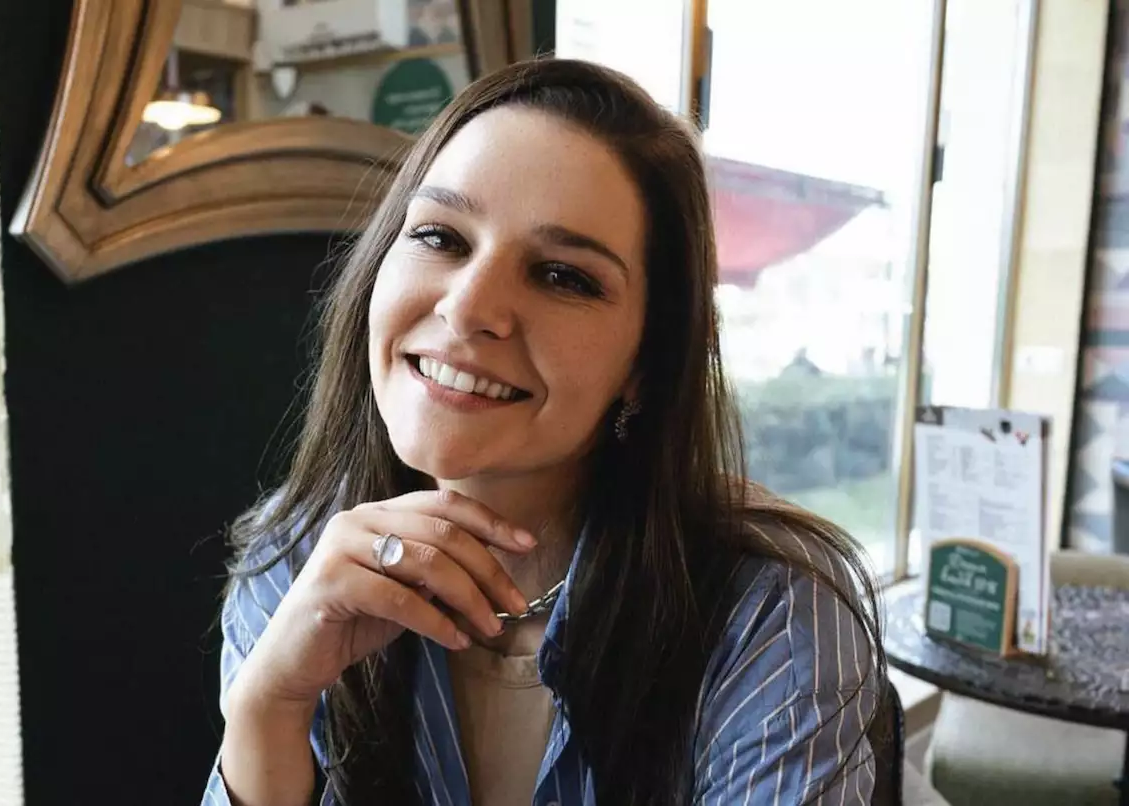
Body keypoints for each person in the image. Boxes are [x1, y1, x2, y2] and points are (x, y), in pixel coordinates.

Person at [202, 58, 885, 806]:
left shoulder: (772, 611)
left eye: (563, 276)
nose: (468, 308)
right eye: (440, 236)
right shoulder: (294, 562)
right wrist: (268, 708)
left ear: (648, 362)